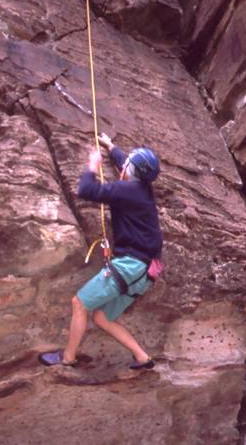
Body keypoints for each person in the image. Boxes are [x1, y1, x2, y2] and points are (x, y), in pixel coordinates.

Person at [38, 133, 163, 369]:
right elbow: (126, 161)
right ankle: (142, 358)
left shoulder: (126, 191)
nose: (123, 165)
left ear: (131, 171)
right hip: (145, 273)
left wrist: (92, 165)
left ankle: (67, 359)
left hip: (131, 266)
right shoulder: (144, 189)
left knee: (80, 303)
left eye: (127, 164)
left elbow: (86, 189)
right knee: (102, 318)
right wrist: (111, 146)